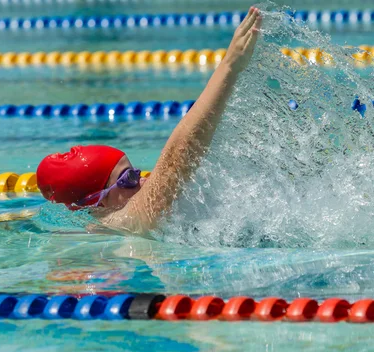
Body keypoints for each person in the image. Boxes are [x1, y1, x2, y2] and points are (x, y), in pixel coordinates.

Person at [36, 7, 262, 234]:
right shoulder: (123, 221)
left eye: (135, 172)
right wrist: (230, 66)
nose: (143, 180)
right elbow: (177, 157)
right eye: (128, 178)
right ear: (97, 202)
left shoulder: (102, 226)